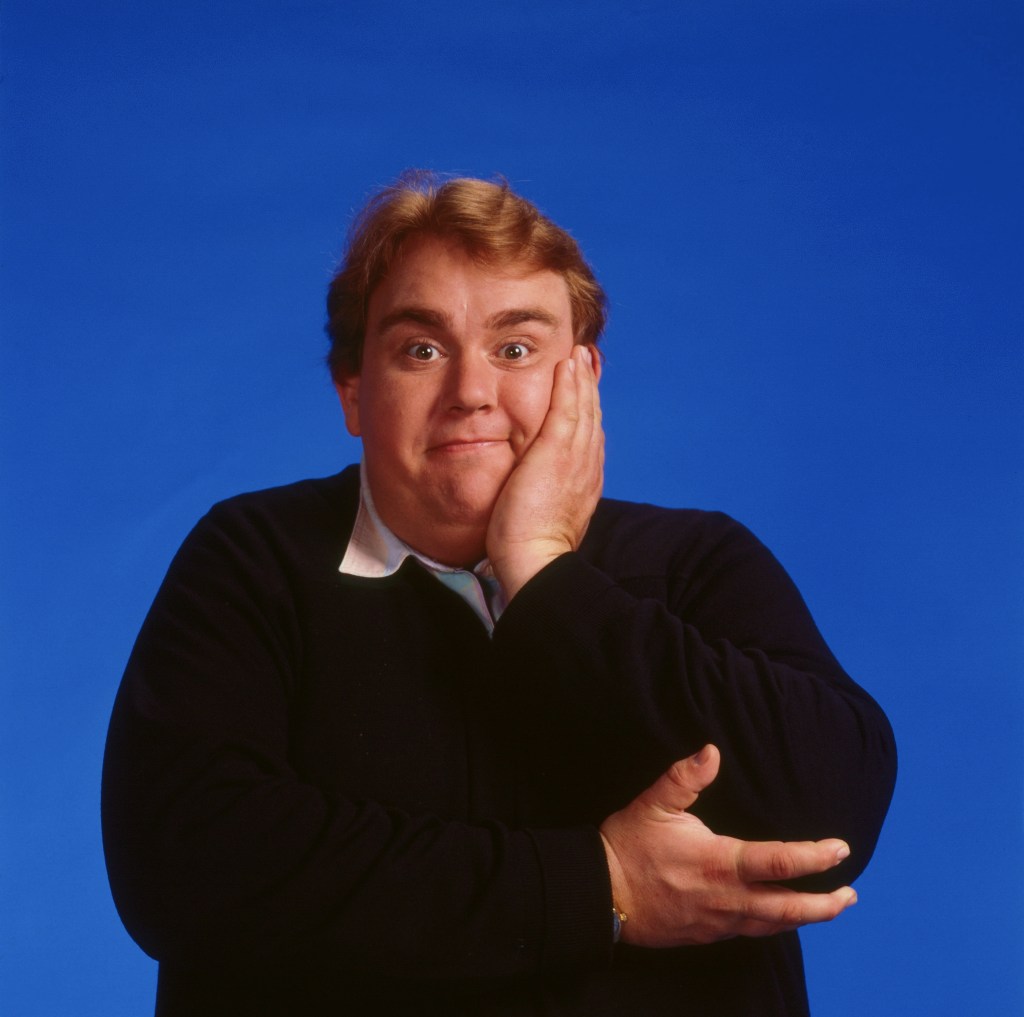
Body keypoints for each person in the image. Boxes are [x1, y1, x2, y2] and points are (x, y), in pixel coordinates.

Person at [102, 172, 896, 1016]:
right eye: (422, 349)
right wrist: (598, 888)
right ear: (353, 393)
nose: (471, 392)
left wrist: (543, 572)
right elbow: (183, 865)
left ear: (581, 378)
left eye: (515, 348)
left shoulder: (699, 560)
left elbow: (831, 824)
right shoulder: (252, 559)